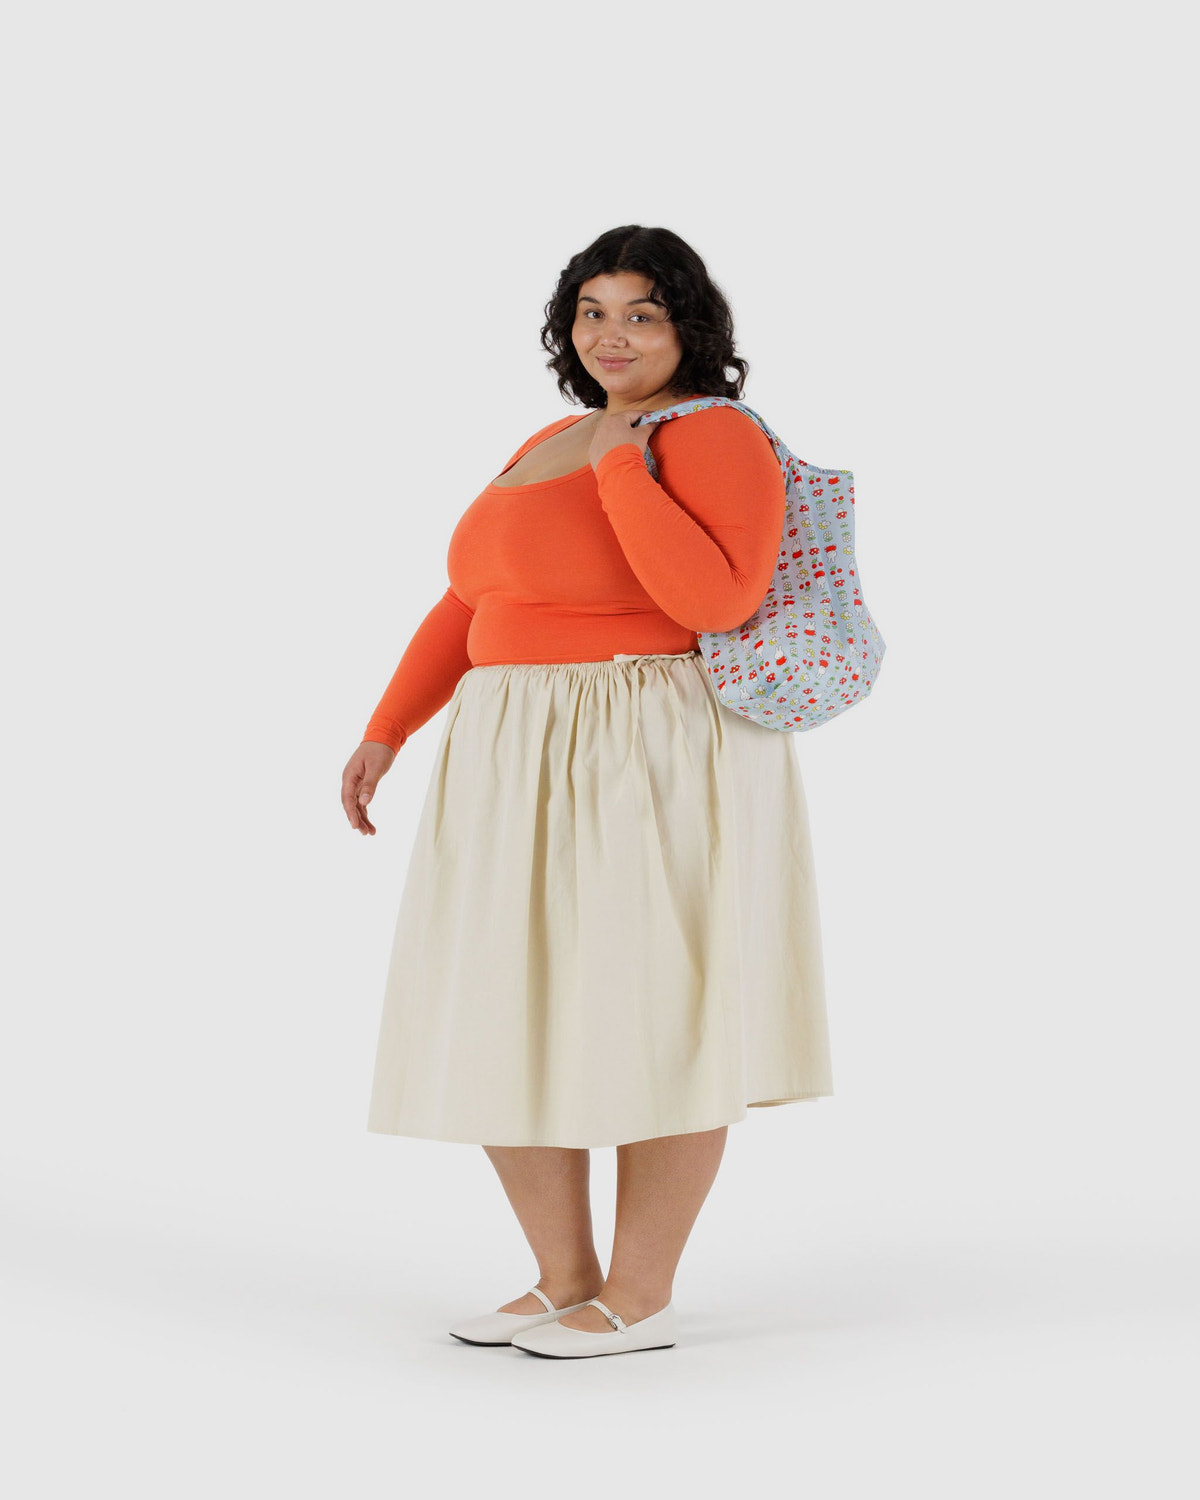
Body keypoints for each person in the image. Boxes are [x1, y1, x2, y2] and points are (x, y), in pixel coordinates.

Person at [339, 224, 832, 1359]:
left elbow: (715, 599)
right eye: (592, 312)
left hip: (643, 739)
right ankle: (564, 1277)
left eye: (642, 314)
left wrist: (622, 461)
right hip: (512, 743)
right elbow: (474, 597)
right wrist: (387, 727)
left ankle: (640, 1292)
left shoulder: (712, 434)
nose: (613, 336)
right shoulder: (548, 437)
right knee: (505, 999)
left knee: (657, 1006)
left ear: (688, 326)